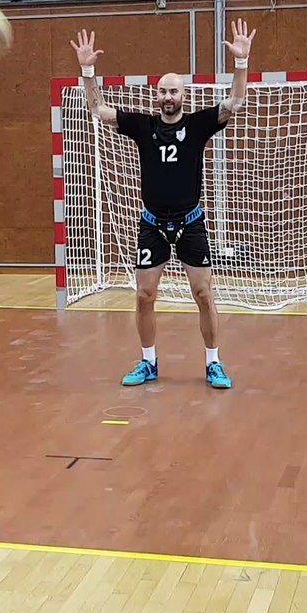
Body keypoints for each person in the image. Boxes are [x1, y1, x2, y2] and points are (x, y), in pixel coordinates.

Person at [70, 19, 256, 390]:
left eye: (173, 91)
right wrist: (88, 70)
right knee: (144, 294)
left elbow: (237, 102)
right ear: (156, 96)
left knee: (203, 293)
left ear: (183, 95)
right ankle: (148, 362)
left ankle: (213, 363)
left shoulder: (200, 124)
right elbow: (99, 110)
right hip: (153, 223)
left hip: (190, 222)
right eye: (162, 92)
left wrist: (241, 62)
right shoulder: (143, 126)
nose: (167, 96)